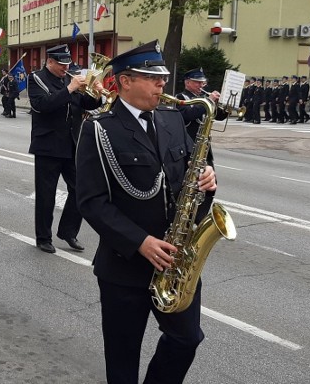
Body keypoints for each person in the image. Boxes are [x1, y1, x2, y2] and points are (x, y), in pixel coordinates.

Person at [75, 40, 217, 384]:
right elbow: (91, 201)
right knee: (123, 359)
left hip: (176, 261)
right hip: (125, 267)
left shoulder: (171, 119)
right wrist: (140, 242)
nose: (161, 85)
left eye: (163, 78)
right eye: (151, 78)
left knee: (187, 339)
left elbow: (196, 168)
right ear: (125, 81)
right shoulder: (99, 128)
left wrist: (208, 180)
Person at [27, 44, 101, 253]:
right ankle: (43, 237)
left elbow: (85, 104)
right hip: (47, 146)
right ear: (50, 61)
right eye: (61, 63)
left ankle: (68, 231)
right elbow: (43, 105)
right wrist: (69, 88)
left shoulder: (70, 78)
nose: (65, 67)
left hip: (71, 144)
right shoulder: (37, 78)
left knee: (81, 190)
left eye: (67, 63)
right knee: (46, 194)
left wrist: (97, 94)